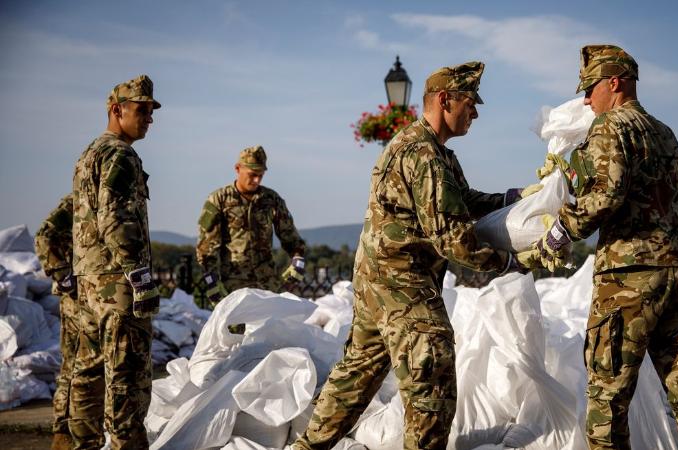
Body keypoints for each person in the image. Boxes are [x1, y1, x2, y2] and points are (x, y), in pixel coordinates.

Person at [293, 61, 527, 450]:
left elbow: (460, 200)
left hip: (378, 280)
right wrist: (509, 262)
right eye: (470, 102)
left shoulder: (434, 152)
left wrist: (509, 199)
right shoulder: (424, 155)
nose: (476, 111)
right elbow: (451, 239)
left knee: (358, 375)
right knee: (431, 381)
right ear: (444, 99)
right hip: (403, 284)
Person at [537, 45, 678, 449]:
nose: (586, 99)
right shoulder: (664, 132)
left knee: (608, 396)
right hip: (677, 274)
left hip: (629, 281)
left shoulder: (610, 128)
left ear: (615, 82)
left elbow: (604, 196)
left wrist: (562, 229)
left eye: (590, 88)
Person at [70, 74, 161, 449]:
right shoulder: (120, 154)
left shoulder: (90, 152)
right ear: (116, 110)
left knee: (88, 372)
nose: (149, 118)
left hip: (90, 281)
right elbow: (115, 220)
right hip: (117, 284)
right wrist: (140, 277)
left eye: (151, 111)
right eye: (141, 110)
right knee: (127, 374)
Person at [196, 145, 307, 305]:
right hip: (233, 287)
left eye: (260, 175)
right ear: (238, 168)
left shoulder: (271, 200)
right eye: (252, 174)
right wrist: (211, 282)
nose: (256, 180)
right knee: (235, 330)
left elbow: (291, 238)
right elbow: (206, 248)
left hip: (268, 285)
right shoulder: (219, 200)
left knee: (270, 329)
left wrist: (298, 261)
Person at [34, 194, 79, 450]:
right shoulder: (75, 203)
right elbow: (44, 236)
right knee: (72, 366)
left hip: (91, 297)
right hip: (75, 301)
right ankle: (62, 429)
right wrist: (63, 274)